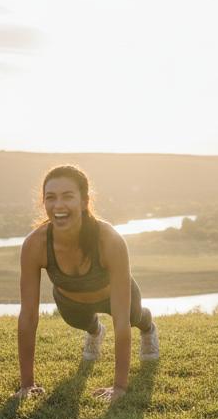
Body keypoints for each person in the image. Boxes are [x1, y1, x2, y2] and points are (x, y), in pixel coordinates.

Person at [15, 165, 159, 402]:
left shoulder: (109, 239)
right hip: (70, 300)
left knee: (133, 317)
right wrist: (27, 385)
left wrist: (119, 387)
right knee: (78, 322)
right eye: (51, 197)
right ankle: (95, 331)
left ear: (84, 201)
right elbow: (28, 316)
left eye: (67, 196)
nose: (58, 205)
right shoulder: (34, 244)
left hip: (113, 295)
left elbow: (120, 320)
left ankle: (148, 327)